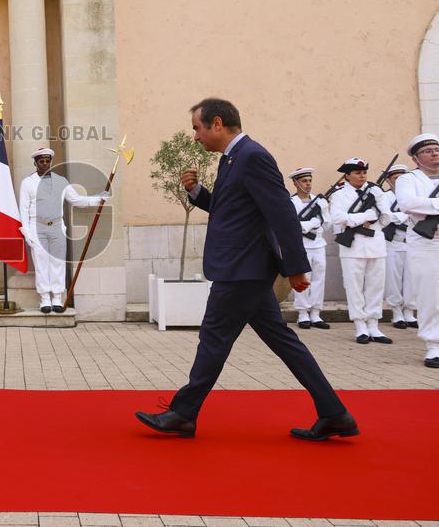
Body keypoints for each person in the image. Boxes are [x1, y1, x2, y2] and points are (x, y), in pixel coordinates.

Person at [135, 98, 356, 441]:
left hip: (243, 271)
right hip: (244, 269)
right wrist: (196, 192)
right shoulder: (233, 159)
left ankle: (183, 413)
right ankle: (334, 413)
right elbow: (230, 210)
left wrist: (296, 267)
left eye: (197, 127)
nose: (195, 136)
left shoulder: (253, 156)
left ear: (217, 123)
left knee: (213, 338)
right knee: (283, 342)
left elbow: (281, 211)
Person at [17, 147, 109, 313]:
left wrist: (98, 199)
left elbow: (76, 200)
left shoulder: (61, 181)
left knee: (57, 263)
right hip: (36, 228)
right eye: (41, 161)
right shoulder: (28, 183)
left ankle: (57, 298)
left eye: (47, 161)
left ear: (50, 162)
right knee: (41, 264)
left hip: (57, 227)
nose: (44, 164)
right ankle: (45, 299)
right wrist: (26, 232)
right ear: (35, 163)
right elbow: (23, 209)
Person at [329, 159, 393, 344]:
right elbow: (338, 218)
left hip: (375, 243)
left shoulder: (376, 191)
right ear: (347, 175)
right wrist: (365, 217)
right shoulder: (339, 195)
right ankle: (360, 327)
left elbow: (387, 216)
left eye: (364, 172)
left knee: (376, 286)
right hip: (352, 246)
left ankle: (374, 325)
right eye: (357, 172)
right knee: (354, 287)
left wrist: (371, 225)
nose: (362, 175)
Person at [395, 133, 439, 368]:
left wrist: (428, 205)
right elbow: (407, 203)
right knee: (429, 295)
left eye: (436, 149)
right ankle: (434, 346)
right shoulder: (408, 179)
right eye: (428, 151)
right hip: (426, 242)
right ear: (416, 158)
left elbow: (419, 204)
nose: (434, 153)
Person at [288, 167, 331, 330]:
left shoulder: (320, 201)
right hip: (301, 245)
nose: (308, 184)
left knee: (319, 278)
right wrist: (311, 223)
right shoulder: (291, 202)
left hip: (318, 244)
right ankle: (302, 313)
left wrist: (314, 224)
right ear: (295, 182)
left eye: (309, 181)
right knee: (304, 279)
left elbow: (327, 223)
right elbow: (290, 225)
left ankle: (315, 313)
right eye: (304, 181)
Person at [380, 164, 416, 329]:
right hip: (393, 242)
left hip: (412, 242)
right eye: (395, 179)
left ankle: (409, 312)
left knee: (412, 279)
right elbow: (387, 216)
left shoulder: (412, 196)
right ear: (388, 180)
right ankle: (396, 313)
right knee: (393, 279)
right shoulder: (385, 197)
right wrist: (405, 215)